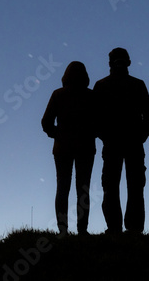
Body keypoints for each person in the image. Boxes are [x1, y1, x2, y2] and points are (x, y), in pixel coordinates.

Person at [93, 48, 149, 234]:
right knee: (116, 186)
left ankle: (128, 228)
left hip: (129, 142)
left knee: (130, 186)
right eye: (117, 60)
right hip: (118, 142)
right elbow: (94, 116)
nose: (119, 63)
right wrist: (104, 134)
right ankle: (118, 228)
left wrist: (143, 133)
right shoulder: (103, 85)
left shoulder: (134, 84)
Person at [41, 61, 97, 237]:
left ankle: (63, 230)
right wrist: (90, 133)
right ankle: (82, 230)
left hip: (62, 147)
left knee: (62, 188)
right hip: (85, 147)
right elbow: (100, 122)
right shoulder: (91, 96)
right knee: (83, 189)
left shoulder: (58, 94)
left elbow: (46, 122)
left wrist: (58, 135)